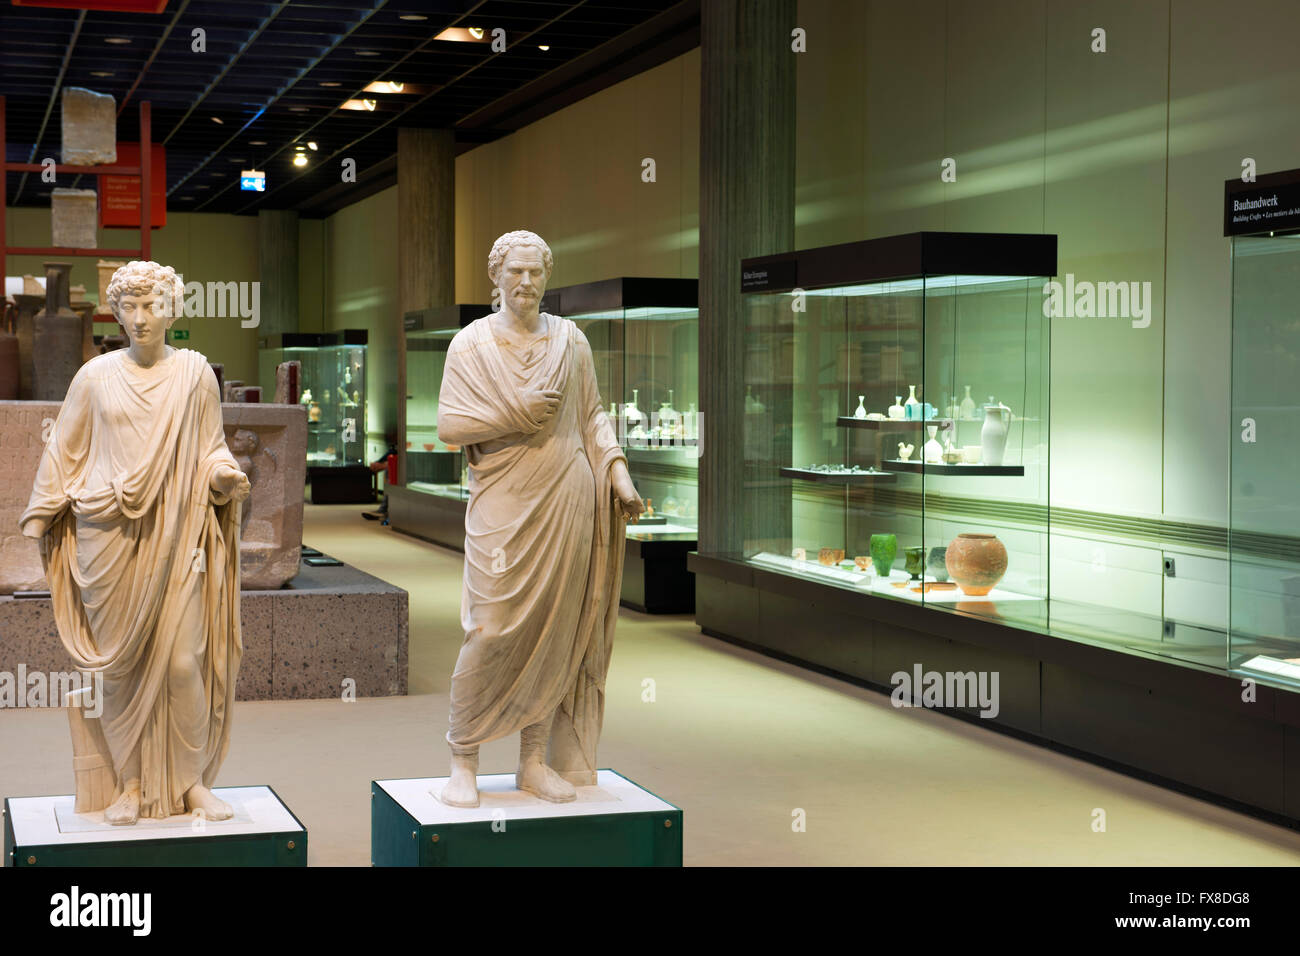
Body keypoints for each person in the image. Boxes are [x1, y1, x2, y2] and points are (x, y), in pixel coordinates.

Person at [20, 261, 249, 825]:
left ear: (172, 309)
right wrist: (40, 515)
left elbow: (211, 448)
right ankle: (130, 783)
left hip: (179, 532)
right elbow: (64, 449)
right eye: (129, 307)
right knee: (118, 668)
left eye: (151, 306)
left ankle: (191, 782)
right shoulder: (94, 377)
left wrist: (223, 476)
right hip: (108, 535)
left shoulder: (195, 375)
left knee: (183, 662)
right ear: (116, 313)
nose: (141, 318)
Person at [436, 230, 644, 807]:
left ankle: (532, 760)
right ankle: (463, 758)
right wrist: (515, 413)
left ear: (547, 277)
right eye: (515, 271)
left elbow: (592, 415)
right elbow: (450, 425)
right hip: (503, 503)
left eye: (535, 272)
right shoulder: (470, 345)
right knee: (490, 628)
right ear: (496, 276)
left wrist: (618, 474)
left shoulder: (572, 341)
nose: (526, 282)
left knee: (555, 631)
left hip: (567, 497)